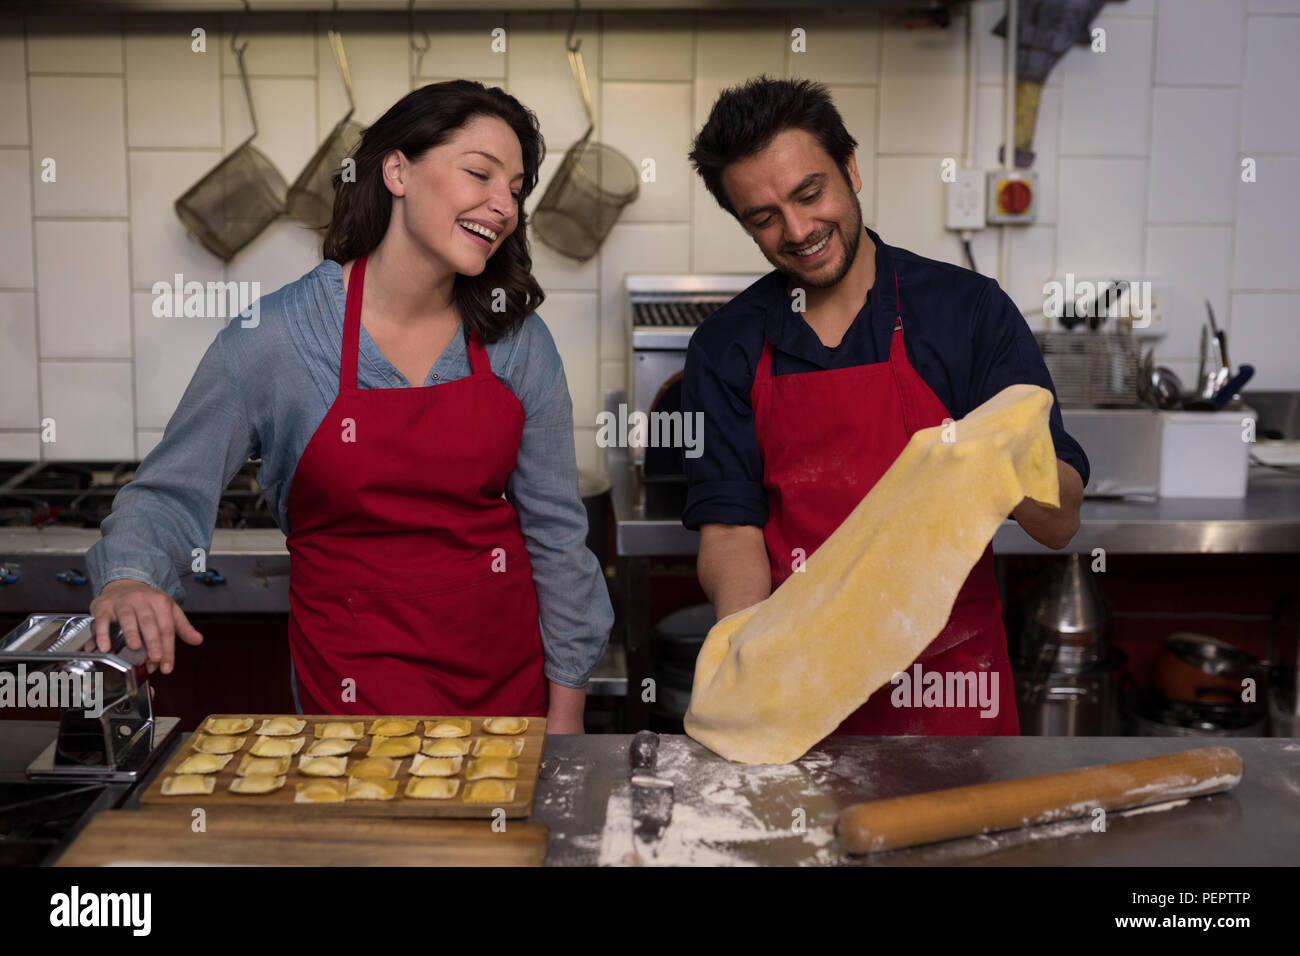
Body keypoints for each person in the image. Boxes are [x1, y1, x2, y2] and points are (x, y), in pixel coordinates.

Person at [85, 81, 612, 731]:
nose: (503, 204)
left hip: (507, 691)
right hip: (353, 696)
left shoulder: (517, 340)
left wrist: (565, 715)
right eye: (480, 173)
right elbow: (168, 493)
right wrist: (130, 576)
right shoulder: (277, 340)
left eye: (516, 187)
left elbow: (556, 538)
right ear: (397, 170)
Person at [682, 76, 1088, 735]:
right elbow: (732, 530)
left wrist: (998, 456)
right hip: (799, 690)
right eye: (763, 217)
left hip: (952, 688)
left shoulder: (966, 313)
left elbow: (1058, 523)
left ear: (850, 168)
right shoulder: (726, 347)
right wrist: (746, 650)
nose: (798, 230)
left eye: (810, 193)